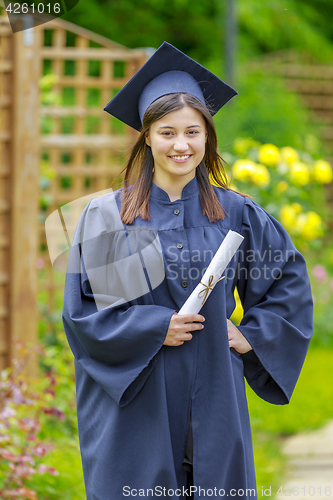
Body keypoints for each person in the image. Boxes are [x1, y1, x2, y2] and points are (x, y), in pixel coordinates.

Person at [62, 42, 313, 500]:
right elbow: (89, 317)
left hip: (215, 393)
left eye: (193, 132)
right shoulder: (111, 217)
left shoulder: (237, 213)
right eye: (167, 132)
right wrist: (158, 326)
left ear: (207, 137)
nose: (181, 145)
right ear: (147, 137)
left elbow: (286, 283)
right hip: (139, 405)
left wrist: (252, 334)